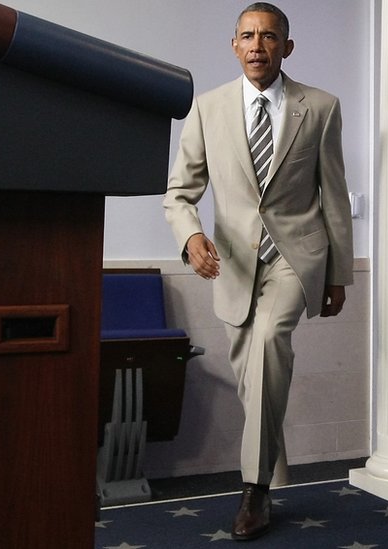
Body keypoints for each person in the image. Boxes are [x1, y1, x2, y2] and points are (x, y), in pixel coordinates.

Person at [162, 2, 354, 541]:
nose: (256, 45)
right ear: (233, 45)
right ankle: (273, 466)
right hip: (230, 264)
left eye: (269, 37)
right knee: (255, 378)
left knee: (270, 341)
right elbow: (179, 194)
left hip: (297, 257)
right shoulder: (208, 108)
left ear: (286, 47)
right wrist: (191, 237)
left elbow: (333, 196)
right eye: (246, 35)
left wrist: (338, 273)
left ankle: (255, 492)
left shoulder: (320, 107)